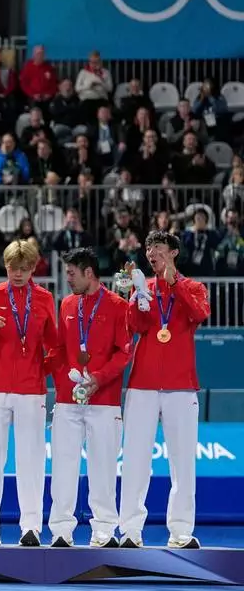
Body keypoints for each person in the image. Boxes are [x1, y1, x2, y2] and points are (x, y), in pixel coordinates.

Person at [119, 231, 210, 549]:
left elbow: (199, 314)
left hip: (181, 387)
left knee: (183, 462)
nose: (151, 254)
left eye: (157, 248)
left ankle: (181, 532)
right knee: (134, 460)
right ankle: (130, 530)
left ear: (173, 252)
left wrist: (175, 284)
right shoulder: (142, 286)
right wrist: (135, 298)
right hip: (142, 384)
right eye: (148, 249)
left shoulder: (194, 287)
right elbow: (135, 328)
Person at [0, 239, 57, 547]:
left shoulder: (45, 299)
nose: (18, 274)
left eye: (24, 269)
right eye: (12, 268)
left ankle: (31, 527)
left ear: (33, 268)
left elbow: (56, 346)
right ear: (4, 267)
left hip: (31, 391)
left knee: (31, 460)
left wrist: (41, 370)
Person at [48, 247, 133, 548]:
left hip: (104, 400)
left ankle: (105, 530)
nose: (67, 278)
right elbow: (59, 349)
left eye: (71, 273)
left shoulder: (118, 306)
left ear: (88, 272)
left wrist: (98, 379)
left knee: (104, 467)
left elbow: (124, 353)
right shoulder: (67, 304)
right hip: (68, 400)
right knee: (63, 466)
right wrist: (62, 381)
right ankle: (61, 529)